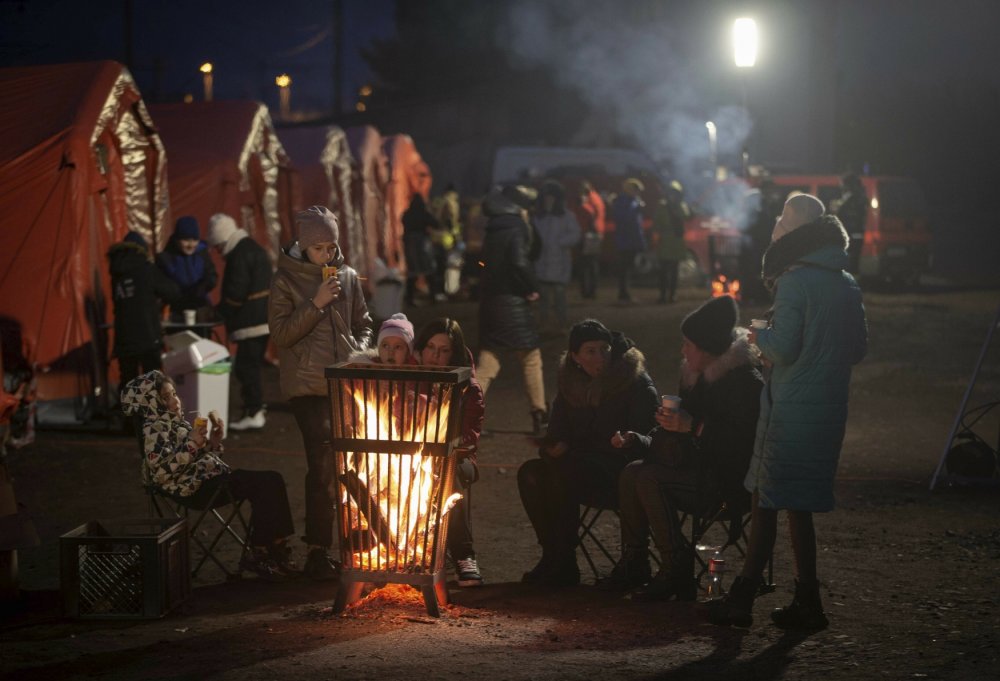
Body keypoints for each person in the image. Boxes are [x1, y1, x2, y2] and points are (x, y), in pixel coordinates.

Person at [709, 193, 868, 630]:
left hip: (791, 411)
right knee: (796, 505)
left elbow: (783, 348)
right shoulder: (847, 282)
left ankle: (741, 600)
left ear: (795, 229)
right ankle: (808, 602)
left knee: (765, 500)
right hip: (827, 409)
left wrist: (759, 334)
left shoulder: (797, 282)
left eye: (781, 219)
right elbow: (857, 348)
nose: (774, 225)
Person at [602, 295, 762, 600]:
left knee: (649, 478)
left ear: (707, 349)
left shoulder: (745, 382)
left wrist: (695, 427)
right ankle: (635, 561)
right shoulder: (695, 376)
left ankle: (676, 566)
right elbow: (675, 435)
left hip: (728, 482)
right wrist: (642, 439)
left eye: (688, 344)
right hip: (694, 469)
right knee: (631, 472)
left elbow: (744, 444)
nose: (682, 350)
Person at [269, 206, 373, 581]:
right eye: (319, 249)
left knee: (357, 459)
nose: (327, 255)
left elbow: (364, 323)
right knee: (324, 459)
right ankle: (317, 548)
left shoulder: (347, 275)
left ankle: (361, 536)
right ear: (303, 245)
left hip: (344, 382)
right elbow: (280, 335)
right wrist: (316, 304)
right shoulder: (285, 281)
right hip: (307, 386)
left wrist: (358, 352)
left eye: (331, 247)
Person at [517, 319, 659, 586]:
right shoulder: (570, 382)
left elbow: (651, 436)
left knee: (563, 473)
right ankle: (555, 555)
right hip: (579, 464)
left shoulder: (632, 379)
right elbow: (559, 431)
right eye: (590, 351)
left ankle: (562, 562)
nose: (600, 357)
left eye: (604, 349)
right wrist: (553, 447)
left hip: (621, 469)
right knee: (531, 474)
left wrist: (630, 439)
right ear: (575, 357)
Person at [121, 370, 296, 581]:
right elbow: (163, 471)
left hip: (205, 479)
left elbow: (192, 456)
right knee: (266, 483)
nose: (175, 401)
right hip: (192, 489)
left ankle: (276, 547)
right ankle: (260, 551)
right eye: (165, 397)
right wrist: (193, 443)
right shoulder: (154, 429)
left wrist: (212, 443)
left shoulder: (174, 423)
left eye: (174, 394)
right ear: (151, 403)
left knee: (272, 479)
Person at [413, 318, 486, 587]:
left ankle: (464, 554)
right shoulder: (411, 379)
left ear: (453, 353)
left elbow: (470, 437)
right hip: (414, 457)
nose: (435, 355)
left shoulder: (468, 387)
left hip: (459, 459)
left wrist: (442, 449)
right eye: (431, 347)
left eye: (443, 350)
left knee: (447, 473)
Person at [476, 185, 548, 437]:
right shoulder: (516, 227)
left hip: (491, 303)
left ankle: (467, 418)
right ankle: (540, 416)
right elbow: (522, 259)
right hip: (512, 303)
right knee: (531, 359)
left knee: (488, 363)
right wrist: (532, 287)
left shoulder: (494, 227)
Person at [205, 214, 272, 431]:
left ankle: (254, 411)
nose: (217, 251)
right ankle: (255, 410)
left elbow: (236, 291)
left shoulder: (239, 255)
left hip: (250, 321)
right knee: (250, 366)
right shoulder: (253, 249)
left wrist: (220, 312)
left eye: (217, 246)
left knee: (246, 367)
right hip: (263, 318)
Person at [108, 231, 179, 389]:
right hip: (147, 335)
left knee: (128, 381)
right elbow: (172, 291)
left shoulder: (116, 274)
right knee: (152, 380)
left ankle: (129, 413)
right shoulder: (146, 269)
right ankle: (149, 413)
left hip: (124, 337)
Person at [532, 180, 581, 332]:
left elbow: (575, 234)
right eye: (546, 197)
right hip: (542, 262)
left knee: (560, 296)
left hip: (560, 262)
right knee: (544, 297)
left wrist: (559, 243)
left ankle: (562, 323)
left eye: (551, 197)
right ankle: (543, 322)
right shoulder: (538, 217)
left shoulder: (567, 216)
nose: (549, 200)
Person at [155, 215, 218, 325]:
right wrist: (175, 294)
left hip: (200, 309)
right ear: (177, 239)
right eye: (186, 240)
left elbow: (211, 275)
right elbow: (160, 284)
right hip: (175, 312)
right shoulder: (165, 258)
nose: (191, 245)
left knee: (202, 341)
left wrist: (202, 287)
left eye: (194, 240)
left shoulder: (202, 254)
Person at [610, 178, 647, 303]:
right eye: (636, 190)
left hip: (630, 240)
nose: (637, 193)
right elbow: (625, 220)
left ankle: (625, 293)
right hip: (626, 240)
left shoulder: (631, 201)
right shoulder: (624, 202)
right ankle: (623, 294)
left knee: (627, 268)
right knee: (625, 268)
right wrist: (636, 208)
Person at [652, 180, 689, 304]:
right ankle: (668, 295)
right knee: (669, 271)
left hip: (671, 242)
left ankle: (667, 295)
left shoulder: (667, 206)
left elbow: (657, 225)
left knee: (669, 271)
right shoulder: (677, 206)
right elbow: (687, 216)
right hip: (671, 242)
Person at [402, 193, 439, 306]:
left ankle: (410, 299)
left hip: (409, 243)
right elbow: (435, 223)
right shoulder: (424, 213)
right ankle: (432, 297)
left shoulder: (407, 214)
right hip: (422, 242)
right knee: (429, 269)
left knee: (412, 271)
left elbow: (403, 221)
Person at [573, 180, 606, 300]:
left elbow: (589, 215)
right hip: (596, 234)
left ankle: (586, 291)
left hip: (587, 235)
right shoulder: (597, 197)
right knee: (592, 264)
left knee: (585, 265)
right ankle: (592, 290)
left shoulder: (587, 200)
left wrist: (582, 204)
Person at [831, 173, 867, 274]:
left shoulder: (856, 199)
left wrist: (837, 209)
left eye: (842, 183)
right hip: (851, 233)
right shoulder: (852, 197)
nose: (840, 185)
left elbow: (851, 216)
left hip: (852, 233)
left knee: (851, 258)